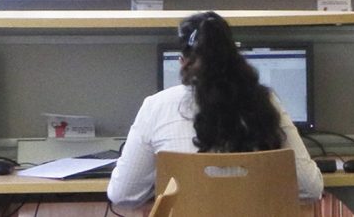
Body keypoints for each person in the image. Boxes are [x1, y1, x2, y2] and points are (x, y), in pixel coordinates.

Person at [107, 11, 323, 208]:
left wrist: (166, 185)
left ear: (183, 62)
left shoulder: (156, 107)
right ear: (235, 58)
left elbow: (123, 195)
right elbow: (311, 188)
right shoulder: (265, 103)